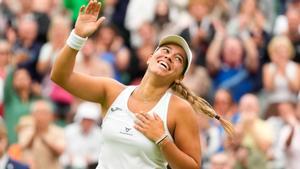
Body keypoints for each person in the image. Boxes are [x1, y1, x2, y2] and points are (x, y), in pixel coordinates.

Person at [51, 1, 233, 168]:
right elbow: (60, 76)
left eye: (178, 58)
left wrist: (162, 139)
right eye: (165, 50)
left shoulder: (179, 110)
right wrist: (78, 36)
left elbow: (193, 167)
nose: (169, 56)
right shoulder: (112, 91)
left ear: (179, 77)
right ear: (149, 58)